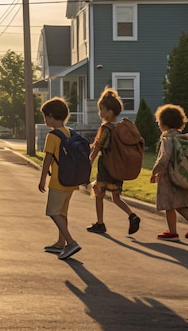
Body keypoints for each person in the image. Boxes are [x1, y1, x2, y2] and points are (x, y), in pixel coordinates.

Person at [87, 87, 141, 235]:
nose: (100, 112)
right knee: (116, 197)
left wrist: (89, 163)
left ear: (110, 112)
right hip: (118, 167)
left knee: (99, 194)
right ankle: (132, 215)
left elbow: (98, 148)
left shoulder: (105, 128)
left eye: (102, 109)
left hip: (106, 166)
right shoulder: (120, 128)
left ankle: (100, 223)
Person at [150, 104, 188, 241]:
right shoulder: (185, 139)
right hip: (182, 175)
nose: (158, 124)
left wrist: (154, 172)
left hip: (169, 178)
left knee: (170, 205)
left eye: (159, 122)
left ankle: (173, 232)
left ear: (164, 123)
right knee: (180, 204)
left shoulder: (167, 138)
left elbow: (164, 159)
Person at [38, 97, 82, 260]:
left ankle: (70, 242)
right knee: (62, 213)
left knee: (53, 212)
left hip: (58, 181)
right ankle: (60, 243)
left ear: (50, 116)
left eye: (45, 116)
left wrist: (42, 178)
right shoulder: (70, 132)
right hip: (70, 181)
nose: (45, 120)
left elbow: (47, 159)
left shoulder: (53, 136)